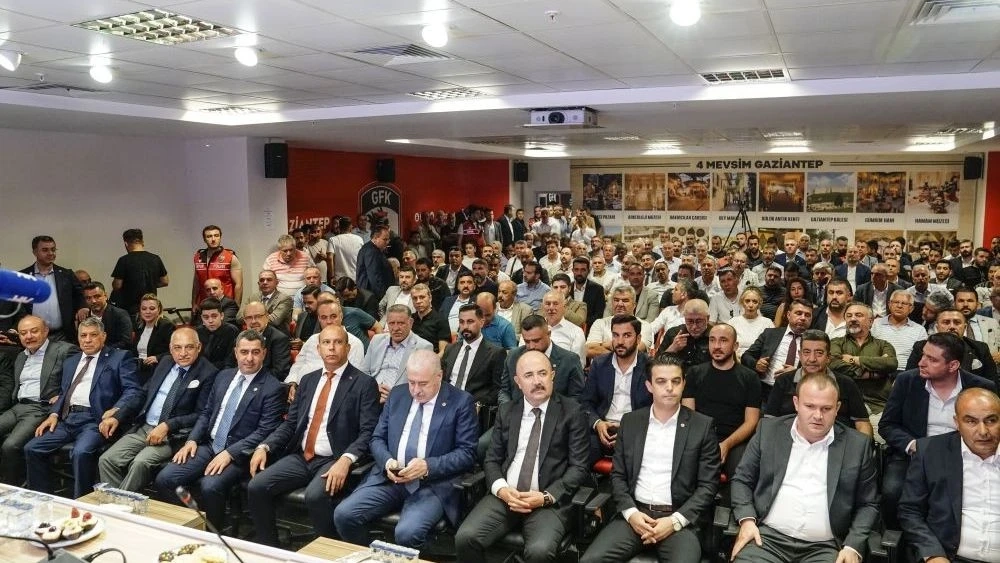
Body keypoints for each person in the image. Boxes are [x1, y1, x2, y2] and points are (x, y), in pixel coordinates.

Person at [247, 325, 380, 546]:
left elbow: (368, 432)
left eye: (338, 342)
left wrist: (346, 460)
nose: (331, 348)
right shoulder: (308, 380)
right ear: (318, 349)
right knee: (256, 487)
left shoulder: (364, 384)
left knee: (315, 496)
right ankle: (270, 549)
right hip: (302, 457)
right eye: (326, 343)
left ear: (347, 348)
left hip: (334, 458)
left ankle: (328, 552)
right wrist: (265, 446)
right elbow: (290, 424)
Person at [579, 355, 720, 563]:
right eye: (661, 381)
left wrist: (674, 521)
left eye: (676, 381)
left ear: (684, 384)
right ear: (649, 386)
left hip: (679, 520)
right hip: (635, 515)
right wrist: (631, 513)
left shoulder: (702, 426)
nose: (669, 388)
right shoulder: (631, 421)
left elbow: (708, 486)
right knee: (590, 560)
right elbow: (618, 476)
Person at [333, 349, 478, 548]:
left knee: (407, 533)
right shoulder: (398, 395)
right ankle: (371, 557)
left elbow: (467, 453)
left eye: (423, 384)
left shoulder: (460, 402)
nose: (416, 390)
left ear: (439, 376)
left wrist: (428, 466)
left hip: (432, 485)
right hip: (391, 479)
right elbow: (377, 438)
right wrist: (387, 462)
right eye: (411, 382)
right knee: (344, 514)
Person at [455, 350, 590, 562]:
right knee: (465, 538)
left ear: (552, 375)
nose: (537, 381)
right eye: (528, 375)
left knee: (539, 551)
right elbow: (492, 459)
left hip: (548, 500)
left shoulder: (572, 412)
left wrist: (546, 496)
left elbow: (579, 467)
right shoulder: (507, 411)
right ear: (518, 382)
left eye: (542, 373)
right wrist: (502, 489)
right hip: (507, 496)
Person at [730, 373, 879, 563]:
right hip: (766, 540)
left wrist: (853, 545)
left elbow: (868, 504)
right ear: (796, 403)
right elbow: (742, 479)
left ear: (837, 408)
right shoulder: (769, 431)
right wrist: (747, 520)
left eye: (826, 408)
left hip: (825, 548)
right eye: (810, 406)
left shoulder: (857, 446)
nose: (818, 416)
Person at [154, 329, 285, 530]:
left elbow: (264, 431)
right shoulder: (223, 376)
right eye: (244, 352)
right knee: (165, 479)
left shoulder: (272, 387)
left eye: (255, 352)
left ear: (264, 353)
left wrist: (230, 453)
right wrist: (192, 440)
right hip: (210, 444)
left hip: (241, 453)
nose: (249, 358)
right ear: (236, 352)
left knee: (210, 486)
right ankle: (190, 525)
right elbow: (207, 413)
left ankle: (213, 533)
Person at [878, 331, 996, 529]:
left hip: (964, 455)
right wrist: (913, 445)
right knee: (892, 491)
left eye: (932, 359)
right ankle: (895, 538)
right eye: (923, 355)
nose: (921, 362)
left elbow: (991, 428)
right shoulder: (907, 381)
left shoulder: (980, 387)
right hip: (915, 454)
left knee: (960, 497)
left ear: (953, 365)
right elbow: (887, 425)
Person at [24, 317, 145, 498]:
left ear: (103, 336)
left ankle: (82, 501)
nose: (87, 340)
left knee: (80, 452)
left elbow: (134, 391)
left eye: (93, 335)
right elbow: (64, 392)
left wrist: (117, 412)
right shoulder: (71, 361)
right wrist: (54, 414)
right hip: (68, 418)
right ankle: (43, 499)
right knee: (32, 448)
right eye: (83, 336)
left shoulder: (119, 358)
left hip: (96, 420)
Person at [98, 327, 218, 491]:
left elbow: (201, 414)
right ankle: (116, 502)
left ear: (199, 347)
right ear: (170, 349)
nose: (183, 353)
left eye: (189, 347)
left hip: (172, 436)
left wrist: (168, 425)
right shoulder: (165, 362)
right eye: (177, 348)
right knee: (107, 460)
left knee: (139, 463)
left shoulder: (209, 373)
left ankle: (121, 503)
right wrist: (117, 416)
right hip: (144, 428)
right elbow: (142, 394)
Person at [898, 388, 1000, 563]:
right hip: (949, 557)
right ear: (957, 423)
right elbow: (910, 511)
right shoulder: (931, 452)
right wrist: (932, 554)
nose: (983, 431)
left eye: (991, 420)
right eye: (971, 421)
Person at [0, 316, 77, 486]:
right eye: (23, 333)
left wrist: (64, 395)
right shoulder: (21, 356)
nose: (28, 336)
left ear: (46, 331)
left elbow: (81, 376)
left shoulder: (64, 350)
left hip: (41, 408)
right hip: (18, 406)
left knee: (10, 445)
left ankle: (10, 489)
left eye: (34, 331)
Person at [682, 324, 760, 477]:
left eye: (723, 340)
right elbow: (688, 415)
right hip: (700, 436)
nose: (716, 346)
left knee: (741, 471)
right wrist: (706, 444)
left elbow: (751, 422)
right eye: (712, 340)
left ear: (735, 346)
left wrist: (726, 444)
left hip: (735, 440)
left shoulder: (750, 378)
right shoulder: (694, 373)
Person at [764, 330, 874, 437]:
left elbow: (862, 423)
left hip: (837, 442)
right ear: (800, 355)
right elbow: (770, 421)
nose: (812, 359)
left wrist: (862, 447)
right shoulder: (783, 381)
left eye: (819, 353)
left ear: (828, 357)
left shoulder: (846, 384)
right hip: (790, 441)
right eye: (806, 352)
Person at [582, 315, 653, 461]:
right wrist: (597, 423)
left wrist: (630, 430)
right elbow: (586, 402)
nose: (620, 341)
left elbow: (656, 408)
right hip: (603, 428)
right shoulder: (599, 364)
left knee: (634, 460)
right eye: (615, 335)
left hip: (636, 431)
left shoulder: (650, 367)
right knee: (579, 456)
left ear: (638, 339)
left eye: (627, 335)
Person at [829, 302, 898, 421]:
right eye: (849, 316)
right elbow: (834, 364)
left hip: (877, 406)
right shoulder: (836, 342)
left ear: (871, 321)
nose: (853, 319)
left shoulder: (883, 345)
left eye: (858, 315)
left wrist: (855, 359)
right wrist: (870, 374)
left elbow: (891, 363)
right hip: (843, 406)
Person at [500, 315, 585, 404]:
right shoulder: (513, 357)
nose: (531, 346)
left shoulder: (569, 360)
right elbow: (505, 391)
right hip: (518, 410)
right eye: (527, 341)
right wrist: (508, 409)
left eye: (536, 341)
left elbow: (577, 396)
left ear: (549, 334)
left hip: (557, 411)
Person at [742, 298, 814, 403]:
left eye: (807, 315)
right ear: (788, 315)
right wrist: (756, 364)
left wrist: (797, 373)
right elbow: (746, 356)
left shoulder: (814, 341)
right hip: (766, 391)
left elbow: (820, 370)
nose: (803, 318)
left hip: (796, 392)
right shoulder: (770, 334)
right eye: (798, 313)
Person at [17, 235, 85, 343]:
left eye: (53, 249)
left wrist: (82, 307)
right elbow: (17, 305)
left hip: (63, 335)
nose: (50, 253)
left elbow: (81, 295)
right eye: (45, 250)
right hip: (33, 336)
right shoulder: (22, 276)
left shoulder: (66, 275)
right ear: (35, 252)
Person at [287, 301, 365, 392]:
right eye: (324, 317)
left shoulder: (354, 343)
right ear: (319, 319)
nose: (329, 321)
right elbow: (298, 365)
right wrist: (292, 383)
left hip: (333, 391)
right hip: (301, 389)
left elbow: (354, 378)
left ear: (341, 316)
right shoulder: (312, 340)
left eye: (333, 316)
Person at [362, 305, 434, 402]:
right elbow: (364, 372)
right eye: (392, 323)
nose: (396, 328)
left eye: (401, 323)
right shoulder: (376, 340)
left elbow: (423, 384)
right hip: (371, 395)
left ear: (411, 322)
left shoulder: (423, 347)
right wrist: (373, 388)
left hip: (400, 400)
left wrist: (394, 395)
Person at [442, 304, 505, 407]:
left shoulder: (495, 353)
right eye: (461, 322)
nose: (465, 326)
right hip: (446, 403)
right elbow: (441, 379)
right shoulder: (450, 349)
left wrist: (479, 405)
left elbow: (497, 389)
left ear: (481, 322)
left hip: (472, 407)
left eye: (470, 321)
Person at [111, 228, 169, 315]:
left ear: (126, 243)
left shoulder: (124, 260)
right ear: (142, 242)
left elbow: (117, 285)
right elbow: (165, 281)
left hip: (130, 310)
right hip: (151, 307)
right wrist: (150, 284)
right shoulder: (155, 258)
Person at [871, 290, 928, 371]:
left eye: (904, 303)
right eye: (896, 302)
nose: (899, 306)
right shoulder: (874, 324)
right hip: (879, 370)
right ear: (889, 304)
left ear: (911, 308)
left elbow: (922, 356)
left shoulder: (920, 330)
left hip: (906, 372)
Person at [191, 225, 243, 311]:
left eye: (216, 235)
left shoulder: (230, 257)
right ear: (204, 239)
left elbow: (239, 285)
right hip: (204, 304)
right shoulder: (198, 257)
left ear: (220, 237)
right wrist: (193, 303)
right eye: (209, 236)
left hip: (225, 305)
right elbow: (196, 283)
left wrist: (236, 306)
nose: (213, 239)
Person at [131, 293, 175, 384]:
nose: (147, 312)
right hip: (139, 367)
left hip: (156, 368)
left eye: (152, 308)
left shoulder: (166, 326)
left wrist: (157, 358)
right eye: (144, 309)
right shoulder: (139, 326)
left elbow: (175, 349)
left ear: (159, 310)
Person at [242, 301, 291, 381]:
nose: (253, 321)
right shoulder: (241, 338)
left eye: (258, 316)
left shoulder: (279, 339)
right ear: (244, 320)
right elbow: (231, 364)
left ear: (267, 317)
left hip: (263, 382)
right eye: (249, 318)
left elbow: (279, 372)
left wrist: (251, 378)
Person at [656, 299, 711, 369]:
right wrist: (672, 348)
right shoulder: (673, 333)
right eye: (690, 321)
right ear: (684, 318)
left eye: (699, 321)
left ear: (707, 319)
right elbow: (655, 365)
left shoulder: (715, 336)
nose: (694, 327)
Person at [80, 282, 132, 350]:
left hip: (113, 353)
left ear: (106, 296)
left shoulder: (120, 314)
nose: (93, 301)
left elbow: (125, 342)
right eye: (88, 298)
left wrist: (101, 351)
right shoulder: (84, 316)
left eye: (97, 296)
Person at [238, 270, 293, 334]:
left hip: (276, 334)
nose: (265, 282)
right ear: (258, 283)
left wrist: (250, 318)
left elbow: (275, 321)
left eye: (269, 280)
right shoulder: (252, 298)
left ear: (276, 282)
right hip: (253, 334)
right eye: (262, 280)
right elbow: (239, 317)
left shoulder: (285, 299)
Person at [726, 287, 774, 358]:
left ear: (759, 304)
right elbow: (727, 345)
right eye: (747, 301)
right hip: (736, 359)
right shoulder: (732, 322)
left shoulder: (768, 323)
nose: (751, 305)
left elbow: (771, 347)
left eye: (755, 302)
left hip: (758, 360)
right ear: (742, 302)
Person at [196, 298, 239, 370]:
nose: (210, 321)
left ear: (221, 316)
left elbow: (231, 361)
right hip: (201, 370)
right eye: (206, 317)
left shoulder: (231, 331)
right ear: (201, 318)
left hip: (223, 370)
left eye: (214, 316)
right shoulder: (197, 332)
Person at [409, 283, 451, 355]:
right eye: (415, 298)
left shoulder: (441, 320)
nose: (418, 301)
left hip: (430, 357)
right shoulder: (410, 319)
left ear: (430, 298)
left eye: (422, 297)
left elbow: (443, 352)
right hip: (410, 356)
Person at [357, 225, 395, 297]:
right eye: (385, 239)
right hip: (373, 296)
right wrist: (384, 296)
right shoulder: (371, 251)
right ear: (375, 238)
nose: (387, 242)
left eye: (388, 239)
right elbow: (374, 277)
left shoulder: (372, 249)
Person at [329, 216, 364, 282]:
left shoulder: (333, 240)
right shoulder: (359, 239)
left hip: (340, 279)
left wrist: (332, 276)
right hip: (356, 277)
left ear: (339, 227)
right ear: (351, 227)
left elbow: (330, 258)